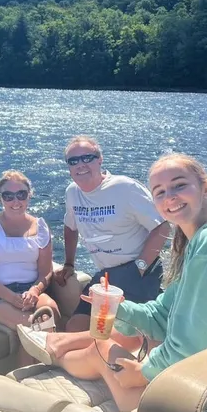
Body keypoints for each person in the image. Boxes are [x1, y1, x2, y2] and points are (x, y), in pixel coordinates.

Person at [17, 152, 207, 412]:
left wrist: (144, 372)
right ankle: (54, 348)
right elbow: (160, 315)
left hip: (199, 400)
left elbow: (195, 347)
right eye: (159, 192)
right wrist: (117, 308)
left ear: (206, 189)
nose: (169, 196)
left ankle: (53, 352)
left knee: (99, 349)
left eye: (179, 185)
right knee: (108, 343)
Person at [55, 136, 171, 334]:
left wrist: (141, 266)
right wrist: (69, 263)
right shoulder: (72, 193)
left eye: (87, 158)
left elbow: (162, 225)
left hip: (139, 271)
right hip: (106, 275)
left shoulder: (124, 188)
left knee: (118, 332)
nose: (80, 165)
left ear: (100, 159)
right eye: (73, 161)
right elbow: (70, 226)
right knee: (76, 327)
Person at [0, 170, 60, 365]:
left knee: (51, 310)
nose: (15, 201)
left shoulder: (41, 226)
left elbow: (46, 271)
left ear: (29, 196)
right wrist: (12, 298)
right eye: (8, 196)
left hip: (30, 289)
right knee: (32, 325)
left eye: (21, 194)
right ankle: (29, 378)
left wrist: (35, 291)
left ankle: (41, 373)